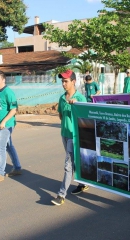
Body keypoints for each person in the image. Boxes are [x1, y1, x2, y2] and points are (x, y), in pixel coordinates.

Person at [51, 69, 89, 206]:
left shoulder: (80, 99)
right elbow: (60, 115)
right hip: (64, 134)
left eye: (66, 81)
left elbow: (86, 119)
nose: (63, 84)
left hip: (75, 136)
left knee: (68, 165)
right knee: (74, 162)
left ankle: (61, 195)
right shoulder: (62, 98)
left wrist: (76, 106)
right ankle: (83, 183)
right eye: (62, 81)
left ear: (73, 81)